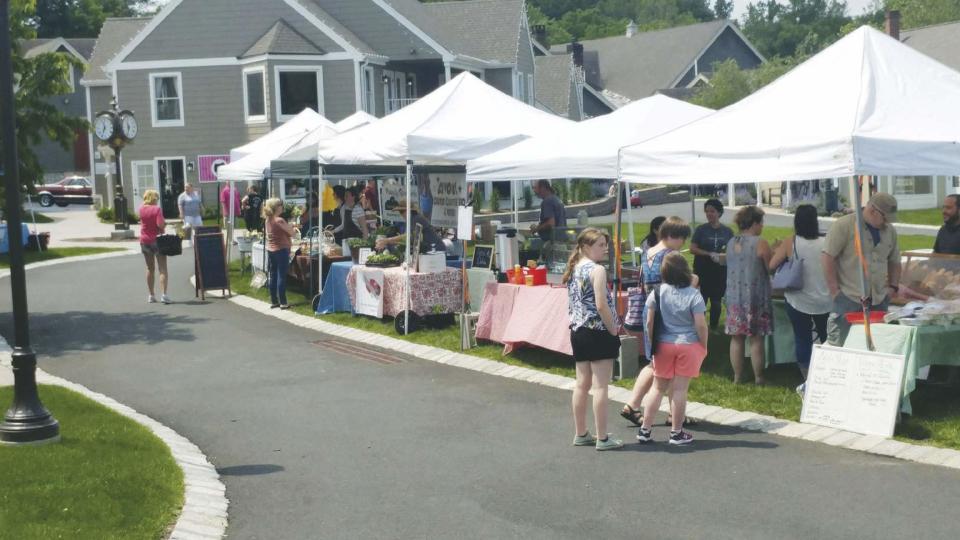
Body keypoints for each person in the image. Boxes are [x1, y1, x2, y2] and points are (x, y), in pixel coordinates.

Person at [621, 217, 693, 426]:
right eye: (681, 238)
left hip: (650, 310)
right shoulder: (671, 256)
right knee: (671, 366)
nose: (683, 244)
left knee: (655, 363)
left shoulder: (648, 253)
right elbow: (682, 284)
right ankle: (668, 413)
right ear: (671, 236)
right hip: (669, 315)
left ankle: (635, 405)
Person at [637, 252, 708, 445]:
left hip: (663, 344)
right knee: (679, 390)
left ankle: (645, 430)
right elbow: (701, 324)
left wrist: (651, 345)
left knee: (657, 387)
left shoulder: (657, 292)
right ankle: (676, 433)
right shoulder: (694, 295)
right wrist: (704, 345)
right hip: (688, 344)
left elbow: (649, 321)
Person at [562, 227, 623, 451]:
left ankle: (581, 432)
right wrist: (613, 328)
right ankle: (603, 438)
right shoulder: (597, 270)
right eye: (600, 245)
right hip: (597, 330)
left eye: (605, 244)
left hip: (578, 330)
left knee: (581, 384)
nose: (605, 249)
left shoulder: (575, 268)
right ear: (586, 247)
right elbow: (601, 304)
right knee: (600, 387)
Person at [822, 192, 901, 346]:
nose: (887, 223)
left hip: (879, 299)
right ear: (872, 210)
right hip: (848, 298)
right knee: (840, 346)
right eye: (885, 218)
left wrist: (893, 286)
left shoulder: (890, 231)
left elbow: (895, 260)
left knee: (877, 346)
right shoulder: (844, 225)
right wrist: (834, 291)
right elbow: (827, 257)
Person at [768, 204, 831, 392]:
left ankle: (807, 377)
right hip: (825, 298)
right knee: (828, 337)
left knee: (802, 338)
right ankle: (829, 373)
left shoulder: (791, 242)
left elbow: (771, 265)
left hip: (798, 298)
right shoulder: (826, 241)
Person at [725, 205, 773, 385]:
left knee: (736, 337)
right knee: (756, 338)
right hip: (754, 295)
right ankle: (759, 377)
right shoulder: (760, 242)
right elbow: (770, 267)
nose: (762, 226)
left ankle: (737, 376)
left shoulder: (731, 242)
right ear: (754, 223)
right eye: (761, 222)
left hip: (733, 295)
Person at [690, 199, 735, 330]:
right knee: (701, 300)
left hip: (719, 271)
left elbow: (732, 250)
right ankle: (700, 327)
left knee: (716, 301)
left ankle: (714, 326)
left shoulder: (727, 231)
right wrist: (708, 253)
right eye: (707, 211)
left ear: (719, 213)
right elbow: (693, 248)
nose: (709, 214)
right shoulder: (701, 230)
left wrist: (723, 255)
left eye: (712, 211)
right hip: (702, 270)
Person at [263, 197, 298, 309]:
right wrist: (292, 228)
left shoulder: (268, 220)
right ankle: (283, 302)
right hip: (281, 249)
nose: (282, 207)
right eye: (280, 205)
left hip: (271, 250)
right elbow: (292, 233)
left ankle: (274, 300)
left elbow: (277, 232)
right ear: (276, 207)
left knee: (273, 275)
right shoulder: (279, 220)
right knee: (281, 275)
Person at [375, 200, 446, 254]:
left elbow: (408, 237)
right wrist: (388, 241)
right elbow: (409, 240)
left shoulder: (416, 219)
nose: (401, 214)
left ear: (408, 211)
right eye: (400, 212)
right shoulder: (412, 220)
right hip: (431, 250)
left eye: (402, 211)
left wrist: (387, 240)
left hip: (435, 250)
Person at [139, 190, 170, 304]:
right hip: (157, 240)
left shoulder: (141, 209)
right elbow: (160, 224)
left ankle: (151, 295)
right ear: (153, 199)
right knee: (162, 268)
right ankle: (164, 295)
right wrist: (164, 224)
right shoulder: (157, 209)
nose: (157, 200)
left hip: (144, 240)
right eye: (156, 198)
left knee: (150, 268)